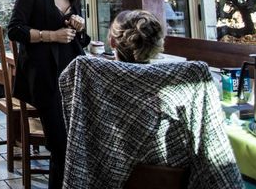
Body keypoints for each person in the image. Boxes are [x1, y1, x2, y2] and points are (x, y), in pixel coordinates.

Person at [58, 10, 243, 188]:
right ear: (158, 44)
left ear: (112, 42)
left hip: (105, 175)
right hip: (173, 179)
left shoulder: (93, 77)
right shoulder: (186, 80)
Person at [7, 0, 92, 189]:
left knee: (75, 141)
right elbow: (15, 30)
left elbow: (79, 41)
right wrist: (50, 36)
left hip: (71, 76)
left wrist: (80, 27)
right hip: (43, 76)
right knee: (61, 144)